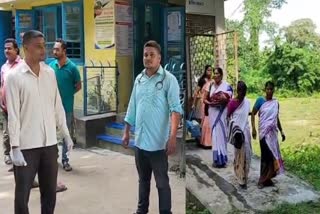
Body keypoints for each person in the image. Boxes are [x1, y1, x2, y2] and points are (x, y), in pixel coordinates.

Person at [6, 30, 73, 214]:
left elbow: (57, 105)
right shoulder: (14, 77)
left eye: (44, 45)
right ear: (25, 48)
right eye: (38, 46)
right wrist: (15, 147)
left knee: (50, 193)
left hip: (50, 145)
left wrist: (66, 134)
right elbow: (13, 115)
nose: (43, 50)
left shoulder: (49, 73)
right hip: (26, 146)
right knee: (22, 196)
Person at [122, 40, 182, 214]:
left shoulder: (168, 80)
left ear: (159, 58)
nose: (148, 58)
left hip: (158, 144)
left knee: (162, 182)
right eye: (145, 55)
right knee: (143, 180)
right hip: (140, 142)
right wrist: (126, 131)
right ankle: (142, 211)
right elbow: (132, 106)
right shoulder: (139, 79)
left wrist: (172, 138)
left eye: (151, 55)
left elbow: (175, 111)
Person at [49, 38, 81, 172]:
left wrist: (68, 94)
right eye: (54, 49)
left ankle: (65, 160)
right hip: (50, 107)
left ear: (64, 51)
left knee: (66, 135)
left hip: (66, 107)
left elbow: (78, 86)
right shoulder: (51, 66)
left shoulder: (72, 68)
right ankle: (52, 159)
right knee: (50, 134)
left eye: (57, 49)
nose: (54, 51)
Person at [251, 81, 286, 189]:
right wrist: (253, 129)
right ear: (264, 90)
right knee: (266, 157)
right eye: (268, 89)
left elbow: (276, 118)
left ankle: (268, 179)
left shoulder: (276, 103)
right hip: (263, 133)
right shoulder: (260, 101)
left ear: (274, 90)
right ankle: (262, 180)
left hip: (273, 134)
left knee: (272, 158)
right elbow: (253, 113)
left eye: (271, 89)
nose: (269, 91)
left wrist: (281, 131)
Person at [204, 67, 233, 168]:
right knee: (215, 136)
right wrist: (211, 102)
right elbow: (205, 100)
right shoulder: (211, 86)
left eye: (217, 73)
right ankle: (216, 159)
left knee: (221, 135)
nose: (215, 75)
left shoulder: (227, 86)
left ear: (221, 75)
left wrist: (222, 99)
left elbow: (229, 98)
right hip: (212, 112)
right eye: (214, 73)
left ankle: (223, 159)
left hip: (221, 113)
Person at [0, 38, 22, 167]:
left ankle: (19, 160)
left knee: (18, 133)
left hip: (18, 108)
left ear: (16, 50)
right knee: (7, 133)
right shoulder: (4, 66)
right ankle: (7, 154)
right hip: (5, 107)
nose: (7, 51)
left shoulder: (22, 66)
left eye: (9, 48)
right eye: (5, 48)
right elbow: (2, 84)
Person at [227, 81, 252, 189]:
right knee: (239, 155)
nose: (243, 94)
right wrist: (234, 128)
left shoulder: (247, 102)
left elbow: (248, 114)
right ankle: (241, 178)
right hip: (237, 133)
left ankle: (244, 175)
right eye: (242, 92)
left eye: (245, 92)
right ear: (238, 91)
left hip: (246, 131)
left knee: (247, 154)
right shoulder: (232, 103)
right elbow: (228, 117)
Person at [192, 65, 212, 148]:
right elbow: (196, 92)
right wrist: (193, 103)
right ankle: (203, 141)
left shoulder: (212, 80)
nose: (210, 72)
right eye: (208, 70)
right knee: (204, 122)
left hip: (210, 103)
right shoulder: (202, 80)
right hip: (203, 103)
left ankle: (209, 141)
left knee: (209, 122)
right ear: (205, 71)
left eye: (211, 70)